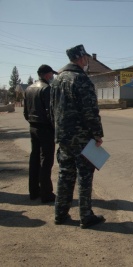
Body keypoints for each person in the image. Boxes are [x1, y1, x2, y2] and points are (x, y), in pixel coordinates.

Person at [50, 44, 105, 228]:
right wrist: (97, 134)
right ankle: (86, 216)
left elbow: (52, 110)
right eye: (86, 58)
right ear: (82, 58)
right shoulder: (81, 79)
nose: (87, 61)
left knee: (65, 174)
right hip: (81, 138)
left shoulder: (57, 80)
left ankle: (60, 213)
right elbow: (90, 111)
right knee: (84, 176)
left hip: (63, 137)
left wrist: (58, 131)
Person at [23, 64, 58, 203]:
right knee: (46, 161)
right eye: (51, 74)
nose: (53, 77)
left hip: (33, 127)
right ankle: (46, 193)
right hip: (45, 129)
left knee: (34, 159)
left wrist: (32, 121)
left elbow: (25, 112)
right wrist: (55, 128)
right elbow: (51, 113)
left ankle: (34, 191)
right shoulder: (46, 89)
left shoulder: (29, 88)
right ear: (47, 75)